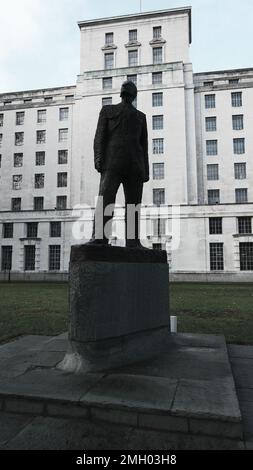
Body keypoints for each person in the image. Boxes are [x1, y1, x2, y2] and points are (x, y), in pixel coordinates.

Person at [90, 80, 149, 248]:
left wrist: (146, 170)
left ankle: (132, 241)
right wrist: (98, 159)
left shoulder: (140, 117)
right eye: (127, 92)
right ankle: (100, 238)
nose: (128, 95)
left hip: (135, 166)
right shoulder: (108, 110)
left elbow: (143, 145)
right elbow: (99, 137)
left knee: (133, 204)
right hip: (112, 163)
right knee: (106, 199)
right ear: (124, 94)